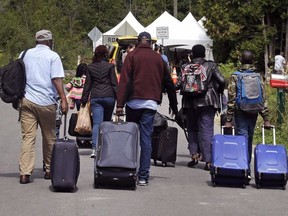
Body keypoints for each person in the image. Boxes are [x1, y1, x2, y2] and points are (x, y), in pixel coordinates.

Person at [116, 31, 178, 186]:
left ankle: (130, 170)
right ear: (151, 43)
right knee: (146, 139)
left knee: (132, 138)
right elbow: (169, 83)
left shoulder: (131, 56)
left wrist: (119, 105)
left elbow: (125, 81)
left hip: (133, 103)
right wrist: (174, 105)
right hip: (150, 104)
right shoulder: (158, 58)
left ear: (138, 42)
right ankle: (143, 176)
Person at [19, 29, 68, 184]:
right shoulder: (53, 56)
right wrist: (64, 98)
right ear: (49, 41)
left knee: (28, 138)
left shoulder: (24, 54)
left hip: (27, 101)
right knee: (49, 138)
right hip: (47, 103)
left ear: (36, 41)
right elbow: (56, 79)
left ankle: (25, 173)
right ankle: (49, 169)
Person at [176, 44, 225, 171]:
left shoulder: (185, 67)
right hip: (208, 102)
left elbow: (178, 84)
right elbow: (222, 80)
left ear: (192, 54)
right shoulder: (211, 65)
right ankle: (208, 160)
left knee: (191, 128)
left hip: (190, 103)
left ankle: (194, 156)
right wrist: (218, 91)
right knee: (207, 130)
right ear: (204, 54)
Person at [224, 50, 271, 178]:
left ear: (241, 60)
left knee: (242, 138)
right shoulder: (258, 76)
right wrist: (266, 118)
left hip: (241, 111)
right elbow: (263, 98)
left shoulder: (235, 76)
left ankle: (244, 170)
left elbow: (232, 99)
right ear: (252, 61)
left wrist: (228, 119)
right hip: (254, 110)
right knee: (249, 138)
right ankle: (247, 169)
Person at [81, 45, 118, 158]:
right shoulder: (110, 67)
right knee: (107, 123)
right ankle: (105, 147)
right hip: (109, 97)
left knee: (97, 123)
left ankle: (94, 148)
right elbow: (114, 83)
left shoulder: (90, 67)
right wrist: (120, 100)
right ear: (106, 54)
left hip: (96, 97)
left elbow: (88, 85)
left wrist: (83, 100)